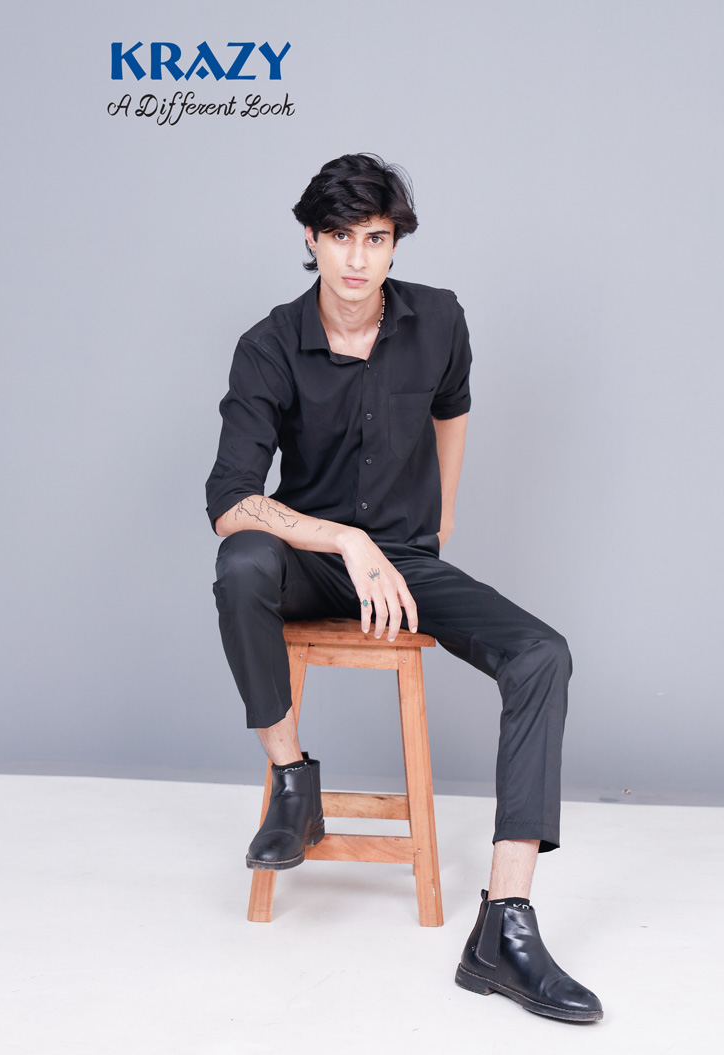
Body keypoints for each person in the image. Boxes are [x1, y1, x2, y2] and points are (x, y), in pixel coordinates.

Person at [206, 153, 602, 1023]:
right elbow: (230, 501)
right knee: (243, 564)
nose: (358, 259)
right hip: (313, 560)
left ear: (395, 243)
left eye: (376, 238)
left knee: (542, 654)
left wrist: (441, 516)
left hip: (407, 564)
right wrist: (345, 539)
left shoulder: (440, 319)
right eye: (340, 237)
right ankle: (292, 780)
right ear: (310, 238)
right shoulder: (269, 345)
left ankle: (504, 923)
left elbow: (452, 407)